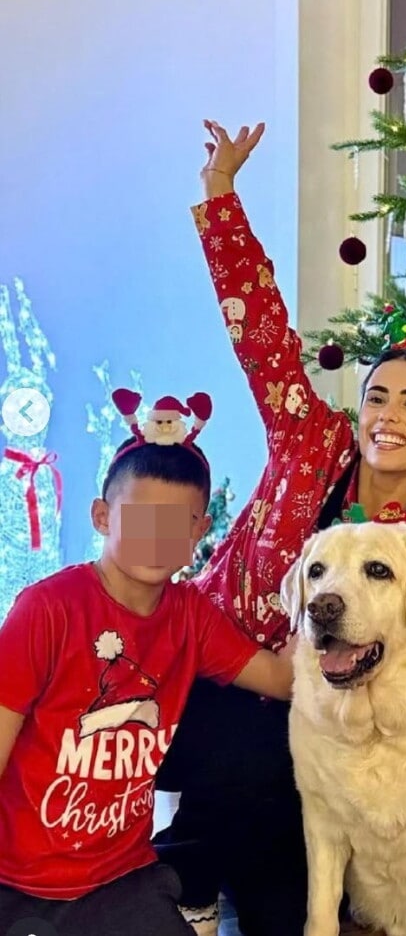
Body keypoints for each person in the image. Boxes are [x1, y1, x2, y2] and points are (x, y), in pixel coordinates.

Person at [153, 120, 406, 936]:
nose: (388, 414)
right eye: (377, 397)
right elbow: (261, 336)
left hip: (312, 732)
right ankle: (187, 878)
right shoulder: (308, 444)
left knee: (287, 896)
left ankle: (216, 882)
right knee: (250, 756)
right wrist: (221, 197)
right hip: (207, 680)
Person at [0, 390, 295, 936]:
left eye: (175, 522)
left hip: (123, 879)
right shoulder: (47, 610)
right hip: (19, 881)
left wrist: (324, 614)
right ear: (102, 516)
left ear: (198, 531)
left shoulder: (190, 617)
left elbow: (280, 678)